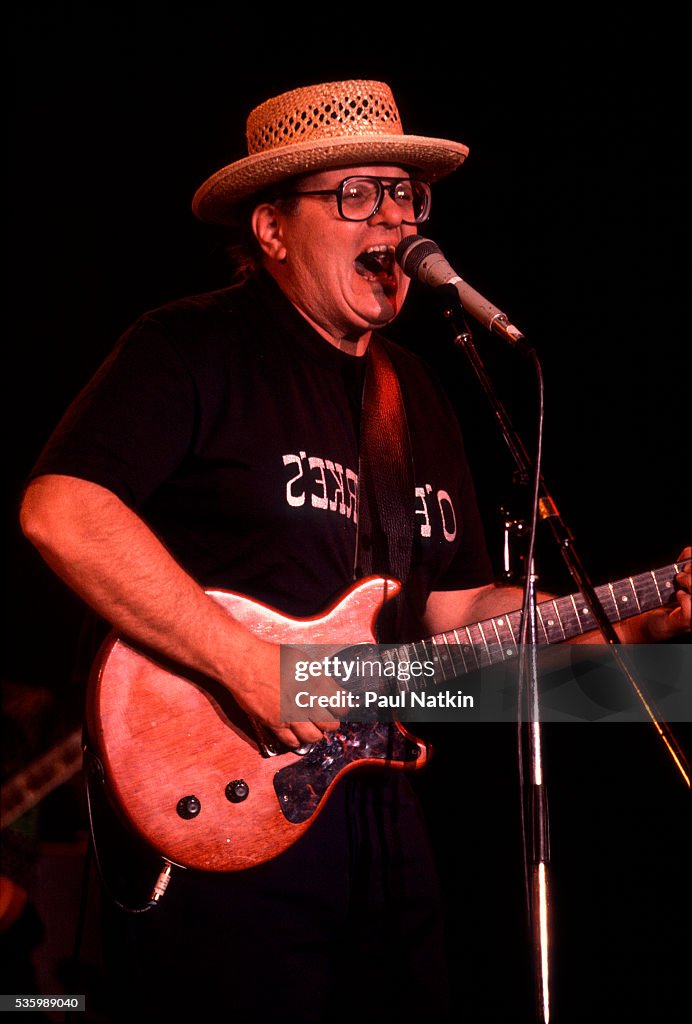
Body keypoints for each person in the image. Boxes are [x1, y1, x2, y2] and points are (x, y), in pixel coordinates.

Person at [19, 79, 690, 1023]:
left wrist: (635, 613)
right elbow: (61, 509)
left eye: (405, 194)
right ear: (273, 228)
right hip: (224, 810)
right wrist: (250, 666)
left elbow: (450, 614)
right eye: (356, 194)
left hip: (377, 816)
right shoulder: (194, 346)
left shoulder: (414, 390)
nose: (393, 221)